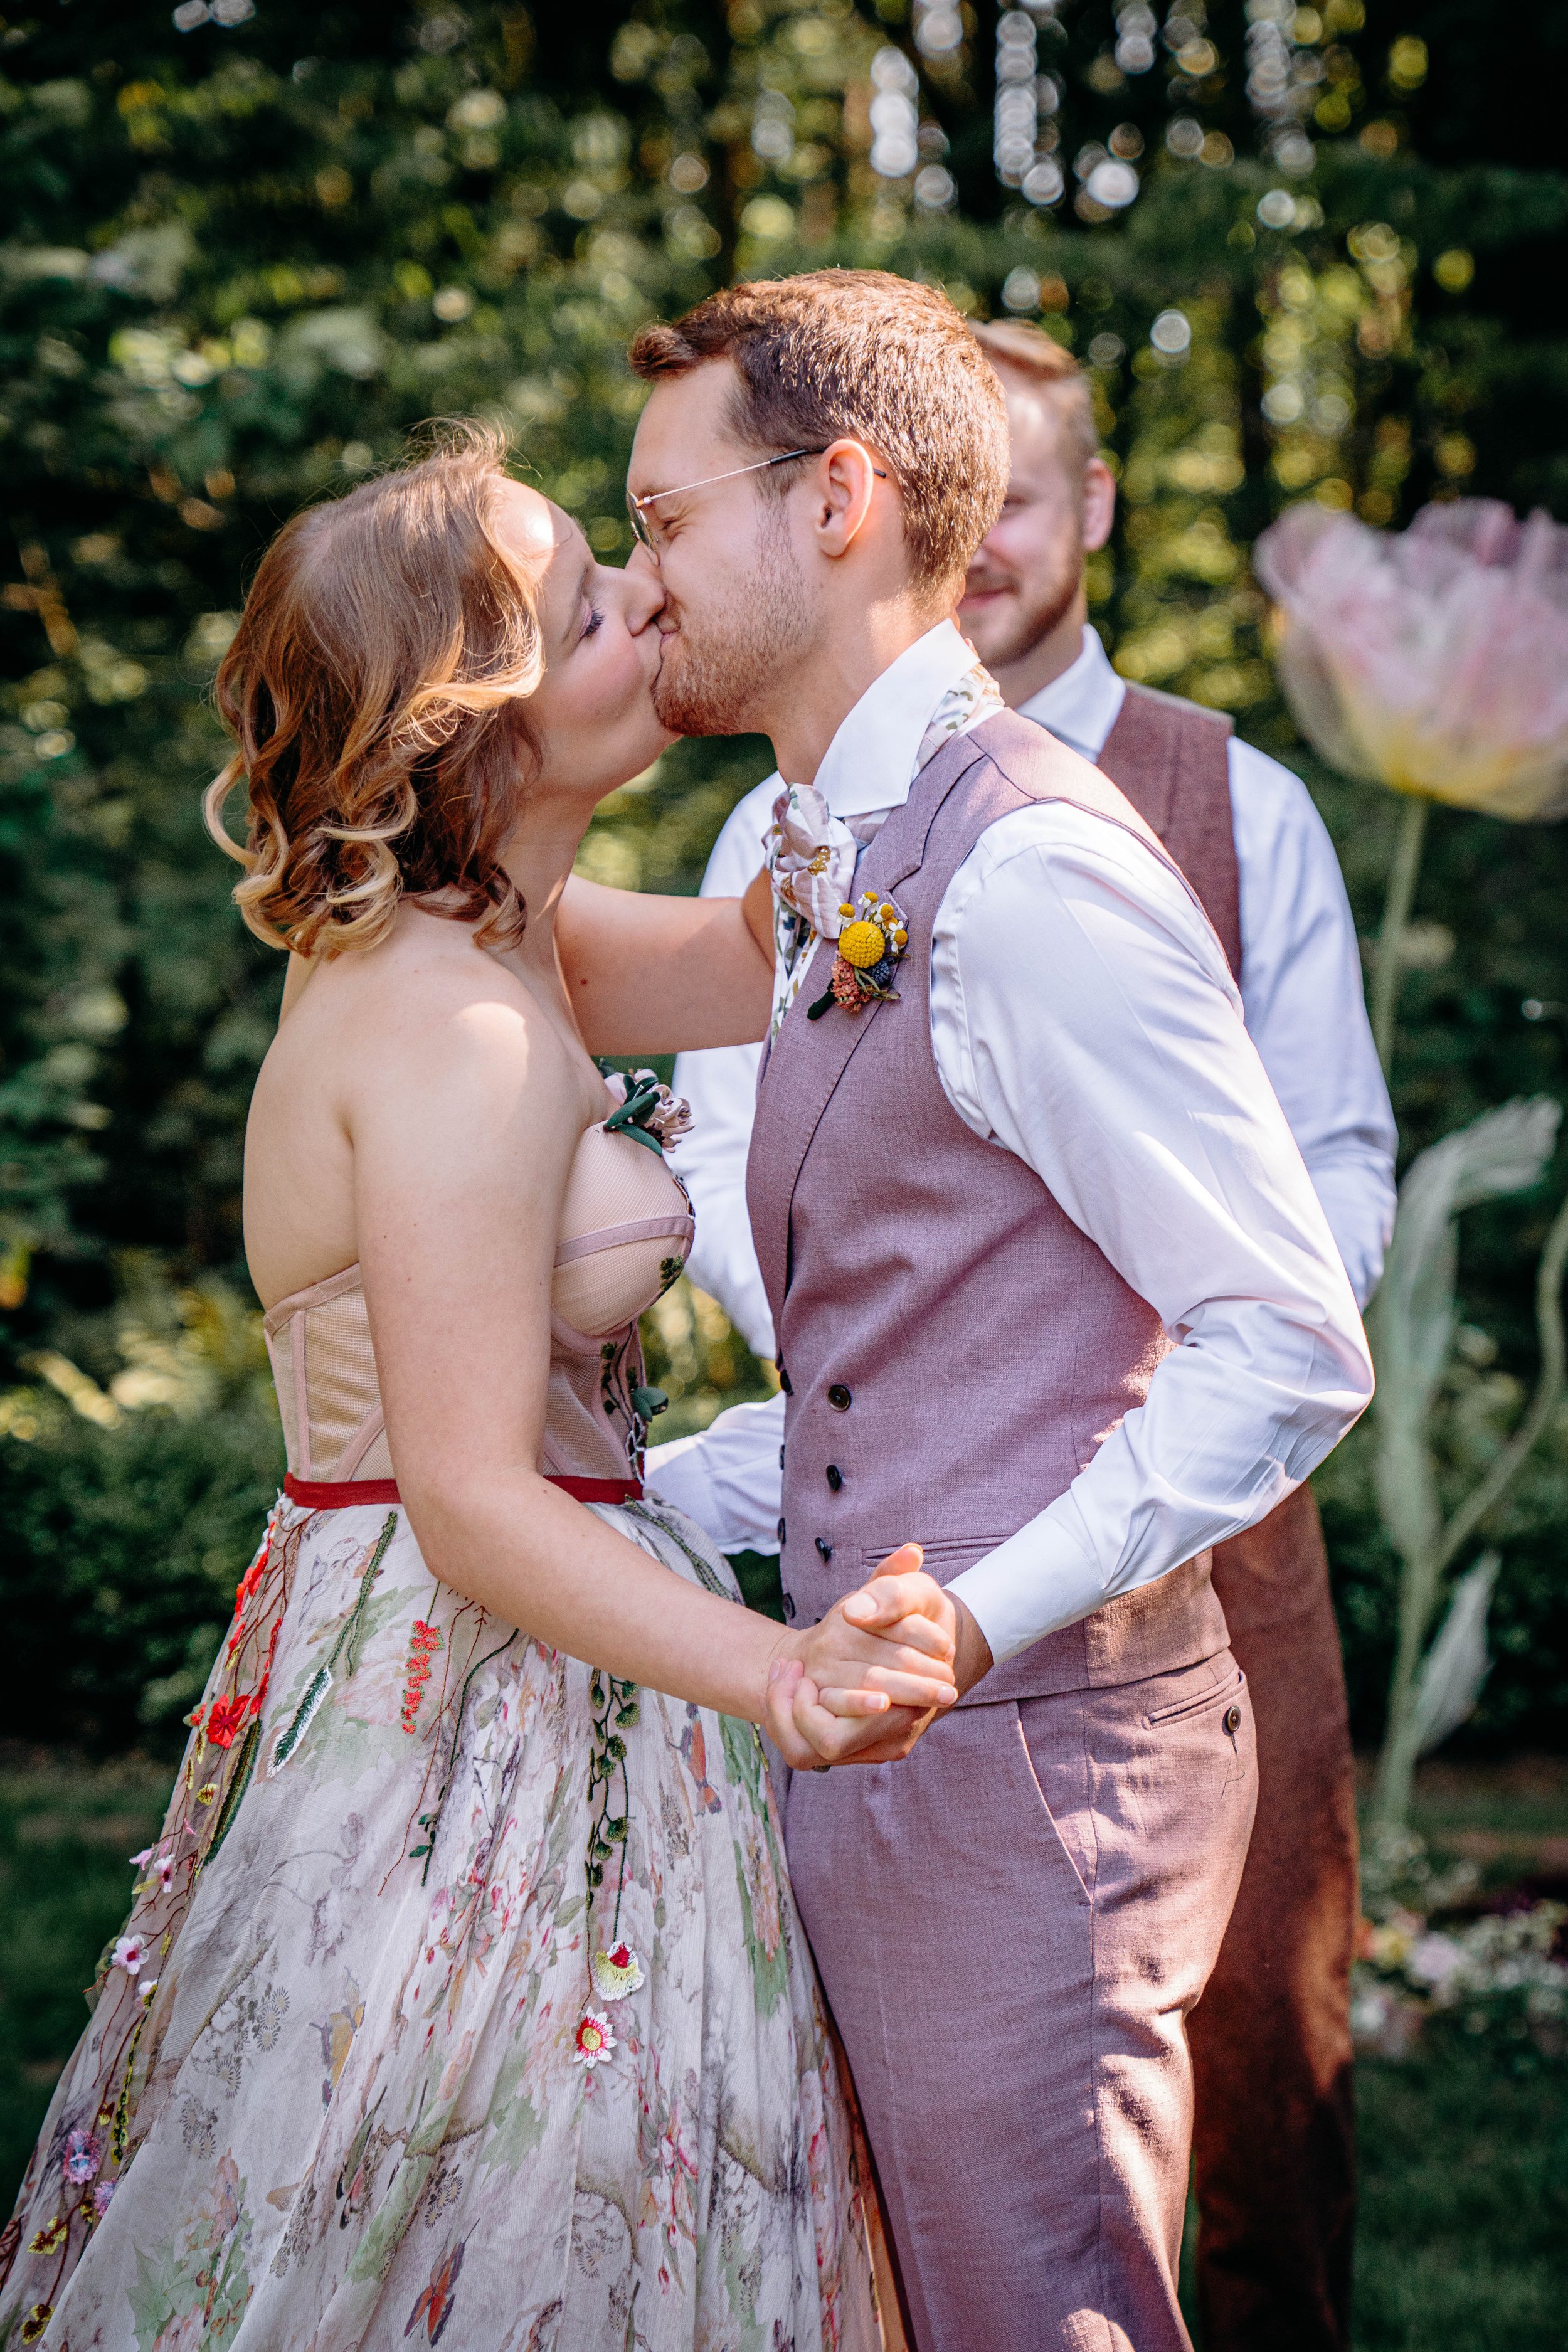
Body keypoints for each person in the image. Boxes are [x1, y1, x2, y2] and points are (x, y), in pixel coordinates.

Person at [0, 424, 963, 2351]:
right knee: (482, 2191)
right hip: (471, 1698)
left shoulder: (514, 942)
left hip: (542, 1643)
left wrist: (879, 676)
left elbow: (770, 952)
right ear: (480, 725)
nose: (651, 596)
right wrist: (779, 1676)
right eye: (601, 603)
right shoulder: (450, 1033)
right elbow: (470, 1495)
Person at [583, 269, 1374, 2352]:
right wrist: (623, 1486)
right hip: (883, 1749)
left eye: (661, 521)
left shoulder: (1028, 874)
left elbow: (1286, 1336)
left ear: (832, 497)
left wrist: (978, 1613)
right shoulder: (821, 839)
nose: (634, 577)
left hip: (1033, 1776)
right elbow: (910, 1350)